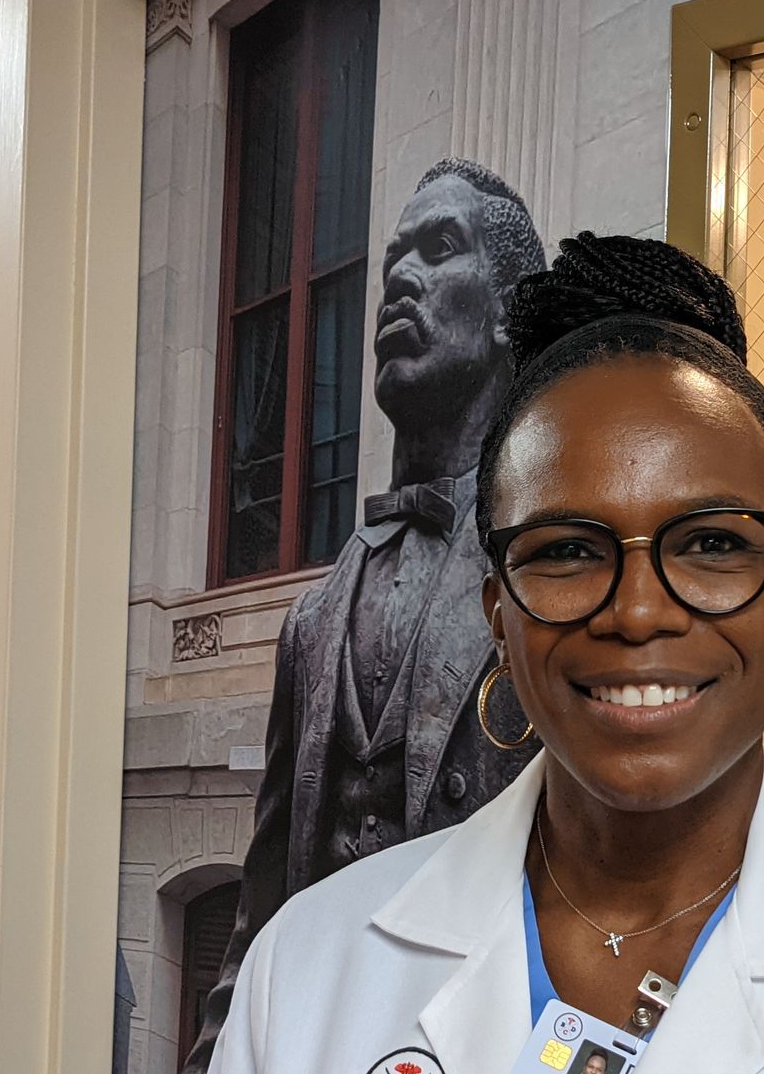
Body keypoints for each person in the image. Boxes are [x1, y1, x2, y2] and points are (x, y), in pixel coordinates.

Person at [207, 234, 764, 1073]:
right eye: (565, 549)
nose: (635, 612)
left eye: (708, 545)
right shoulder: (309, 967)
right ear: (500, 622)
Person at [183, 159, 548, 1073]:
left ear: (509, 310)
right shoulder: (311, 622)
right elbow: (262, 910)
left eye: (440, 249)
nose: (403, 279)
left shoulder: (556, 584)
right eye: (393, 260)